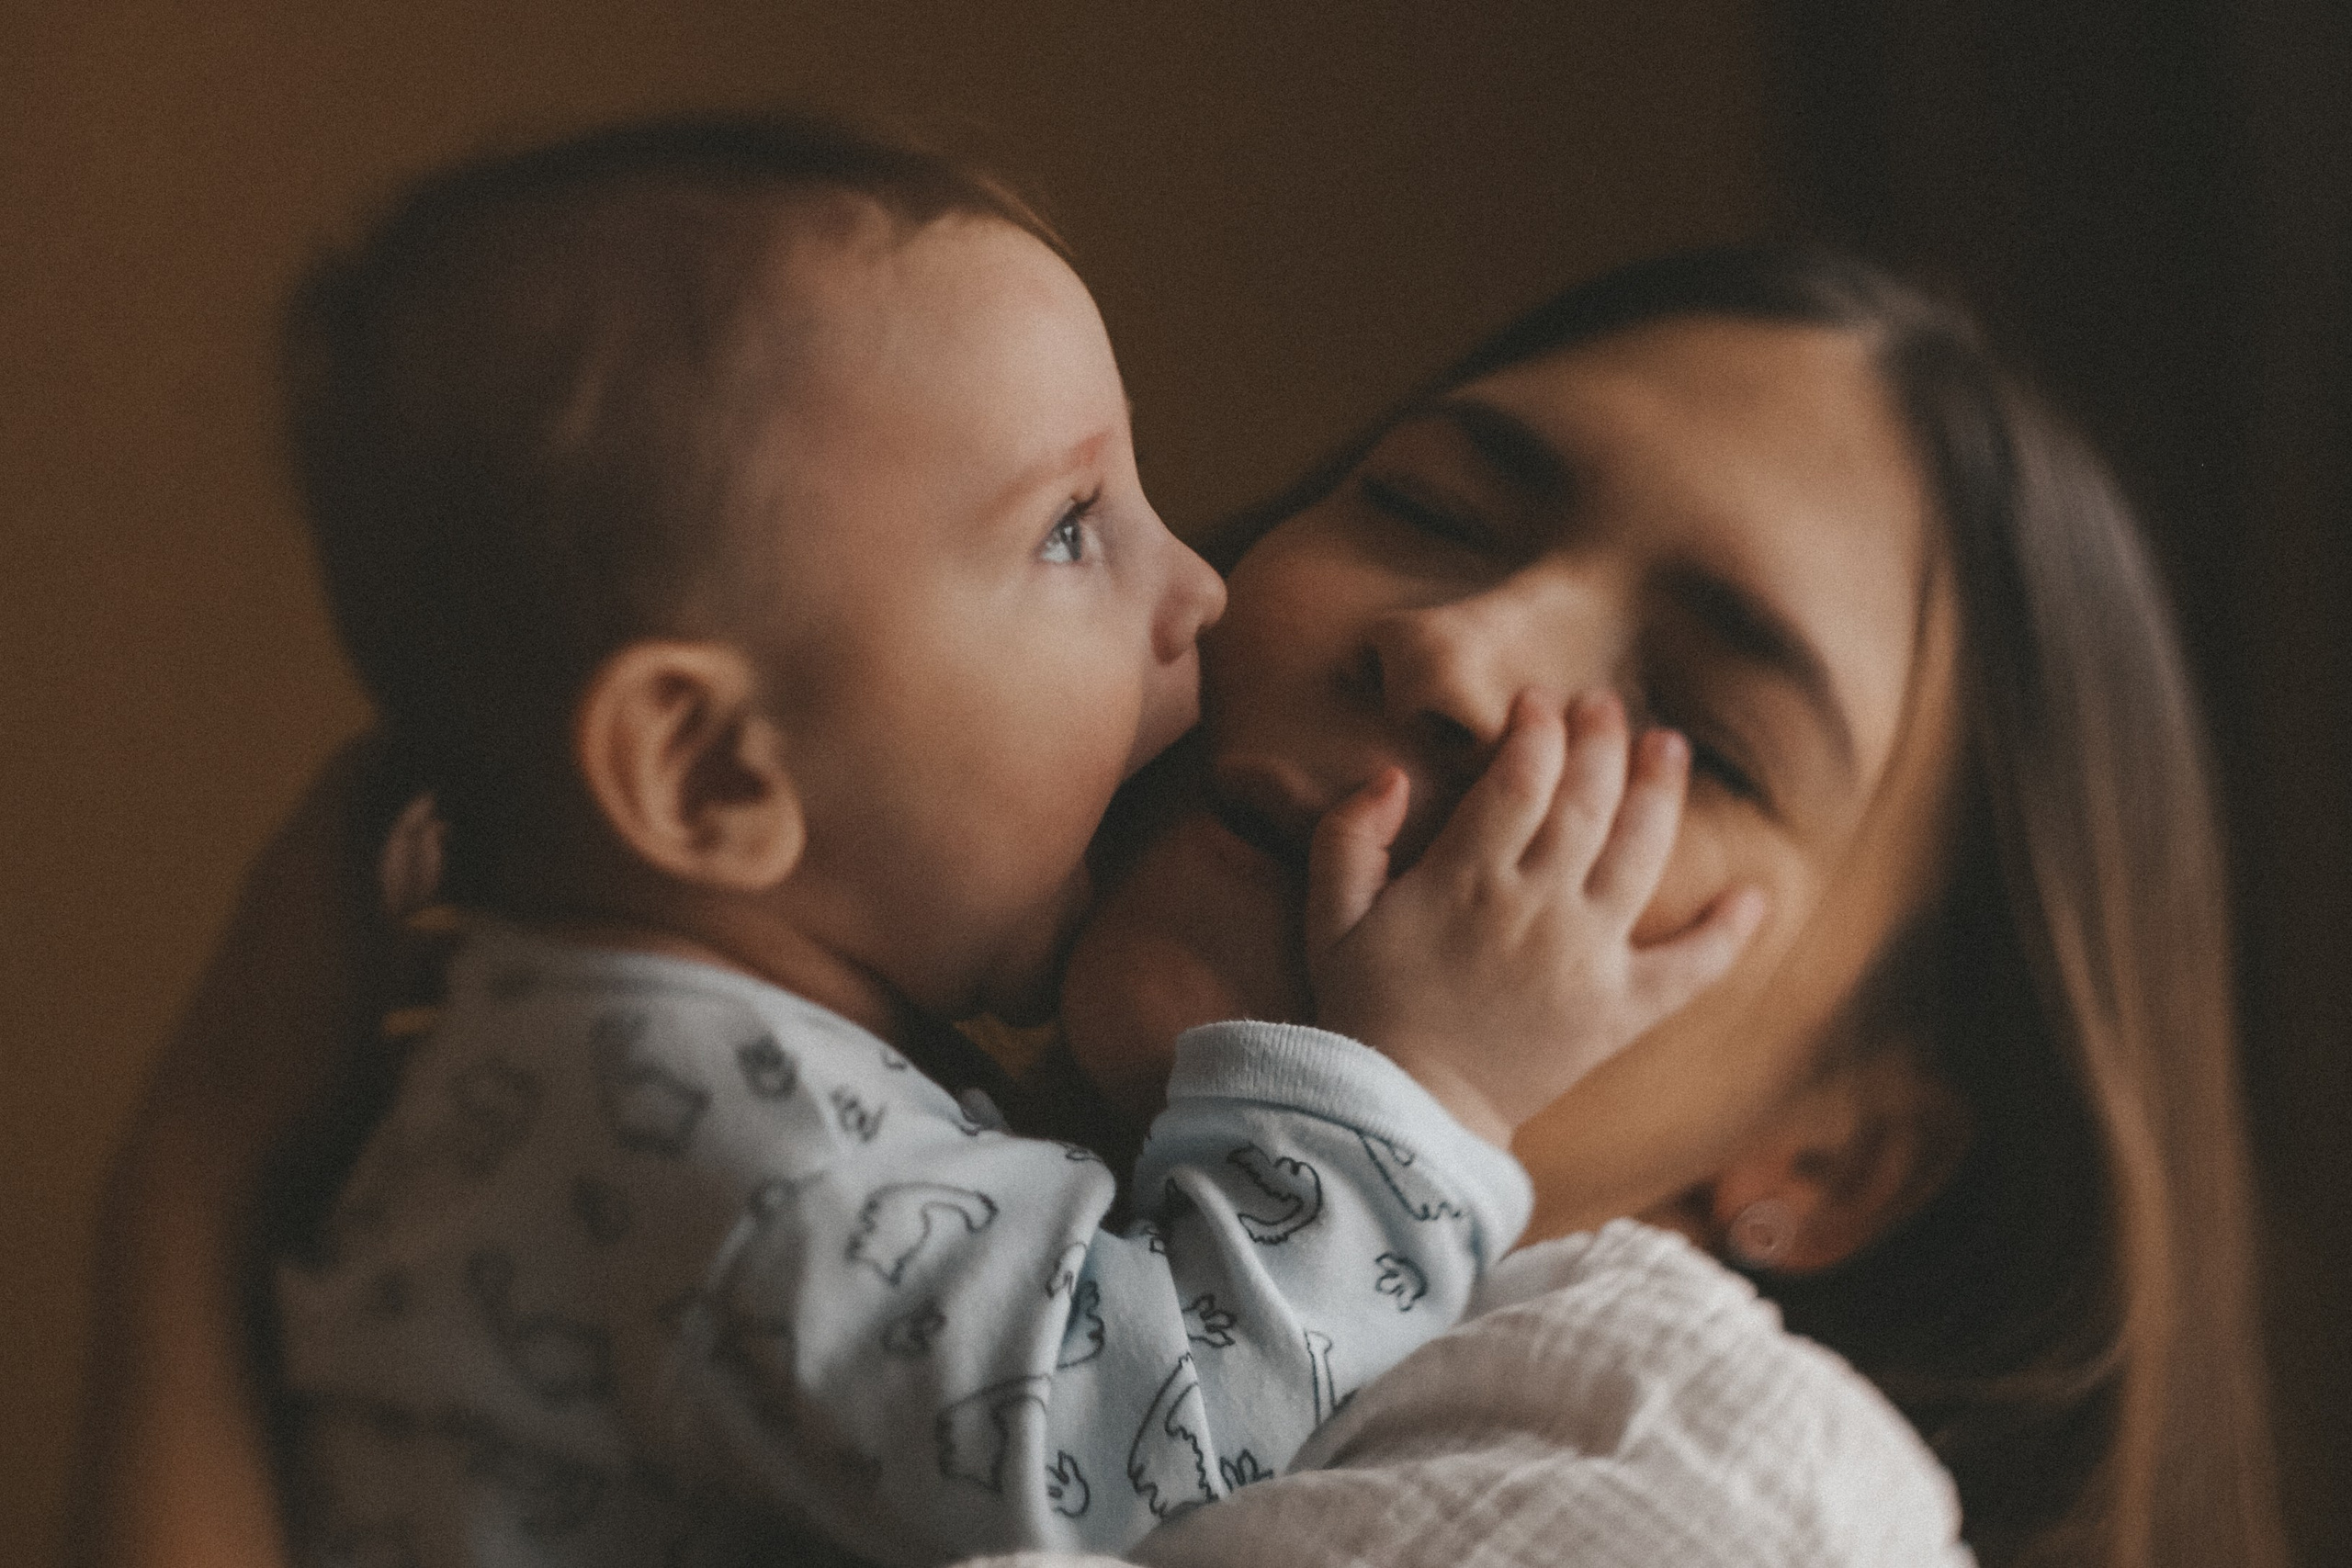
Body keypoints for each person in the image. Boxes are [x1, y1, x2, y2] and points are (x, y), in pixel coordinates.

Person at [74, 244, 2287, 1568]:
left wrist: (188, 1183)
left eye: (1693, 729)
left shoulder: (1689, 1485)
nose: (1460, 647)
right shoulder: (817, 1192)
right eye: (1422, 499)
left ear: (1835, 1148)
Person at [238, 117, 1758, 1568]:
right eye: (1069, 530)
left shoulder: (631, 1074)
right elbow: (1121, 1455)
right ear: (710, 772)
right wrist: (1429, 1089)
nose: (1201, 590)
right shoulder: (690, 1131)